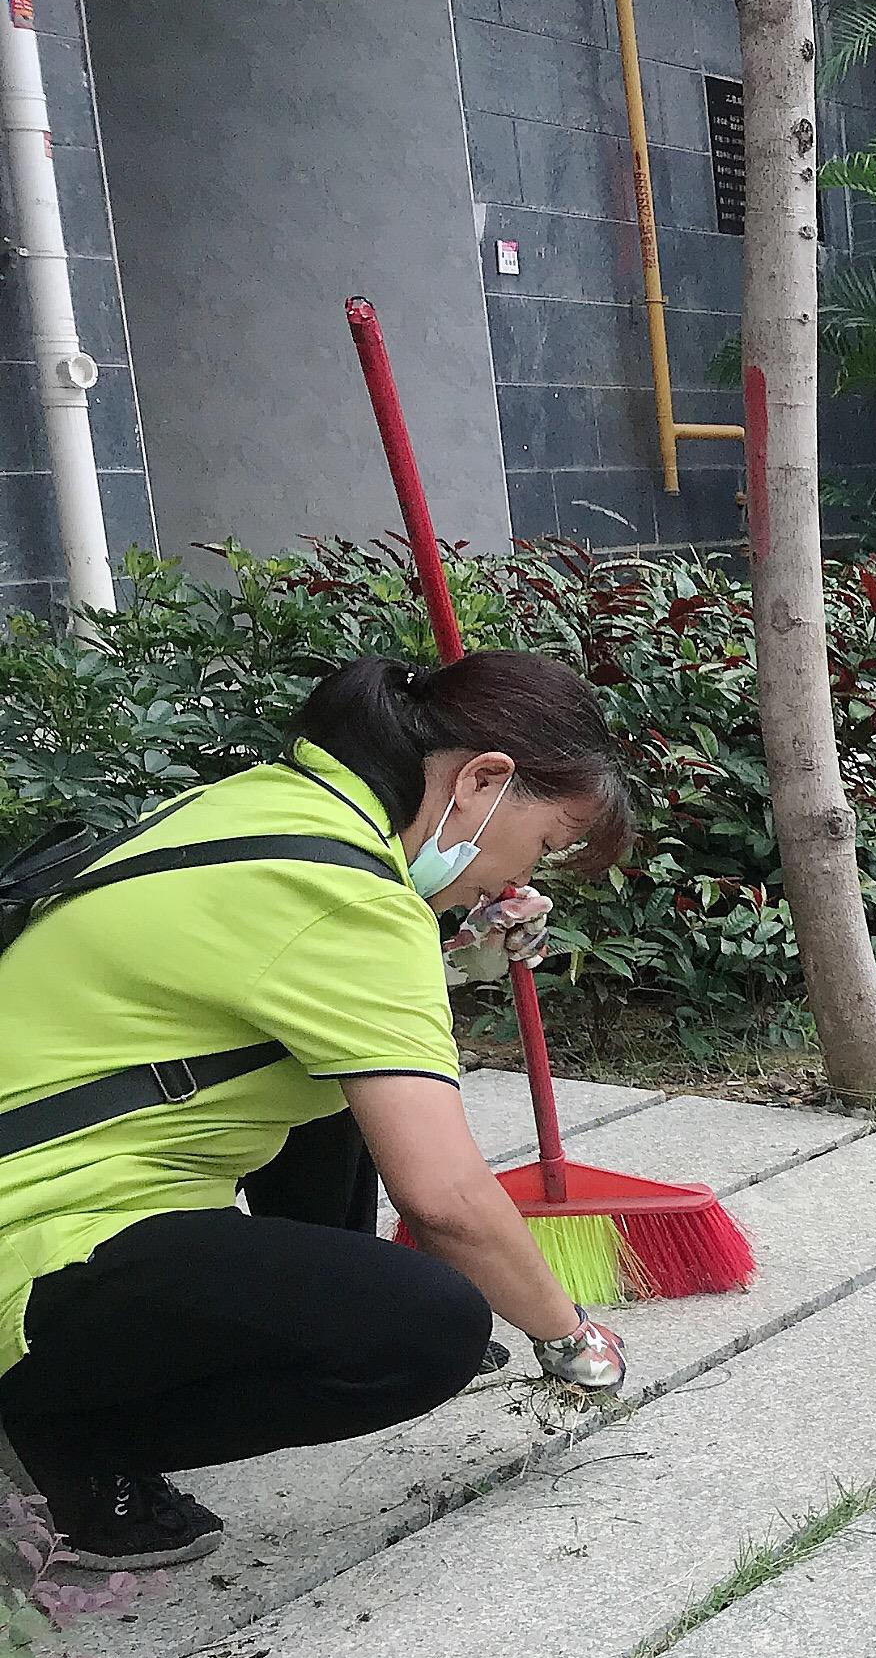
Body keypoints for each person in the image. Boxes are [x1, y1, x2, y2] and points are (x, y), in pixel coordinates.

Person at [0, 653, 641, 1569]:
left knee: (354, 1082)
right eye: (543, 844)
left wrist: (453, 943)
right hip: (35, 1232)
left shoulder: (279, 807)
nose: (524, 875)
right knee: (423, 1332)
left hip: (46, 1164)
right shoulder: (348, 899)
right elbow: (446, 1201)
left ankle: (267, 1313)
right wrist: (569, 1338)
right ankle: (66, 1438)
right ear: (483, 781)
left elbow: (301, 985)